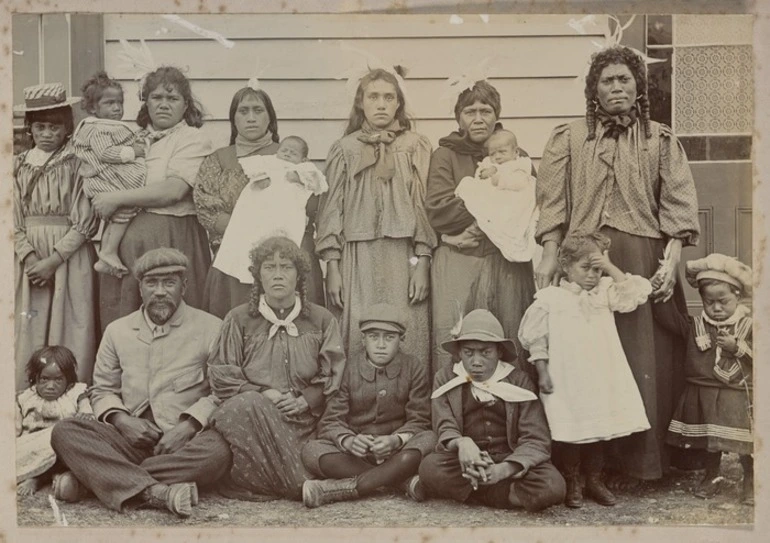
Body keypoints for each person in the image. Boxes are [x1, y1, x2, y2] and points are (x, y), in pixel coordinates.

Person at [536, 45, 700, 486]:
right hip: (583, 262)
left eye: (624, 79)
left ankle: (641, 464)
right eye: (607, 80)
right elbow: (552, 204)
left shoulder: (659, 138)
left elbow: (677, 203)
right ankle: (588, 467)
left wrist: (671, 260)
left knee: (641, 359)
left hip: (642, 261)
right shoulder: (568, 138)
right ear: (594, 89)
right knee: (587, 359)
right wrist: (551, 253)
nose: (616, 87)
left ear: (638, 86)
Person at [50, 248, 231, 518]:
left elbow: (222, 393)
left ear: (184, 286)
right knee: (64, 431)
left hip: (184, 443)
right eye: (151, 283)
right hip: (128, 440)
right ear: (140, 287)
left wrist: (188, 426)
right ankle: (156, 492)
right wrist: (123, 421)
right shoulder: (117, 331)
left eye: (169, 283)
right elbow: (102, 390)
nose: (159, 291)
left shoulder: (212, 328)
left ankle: (95, 480)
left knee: (218, 452)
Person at [518, 232, 652, 508]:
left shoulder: (604, 292)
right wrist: (542, 371)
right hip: (568, 378)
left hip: (601, 375)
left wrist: (609, 267)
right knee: (570, 429)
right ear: (565, 265)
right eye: (585, 268)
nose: (592, 275)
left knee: (598, 426)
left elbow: (634, 292)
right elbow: (536, 339)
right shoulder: (550, 298)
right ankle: (572, 480)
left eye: (597, 269)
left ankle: (594, 479)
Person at [209, 236, 346, 501]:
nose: (278, 275)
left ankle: (278, 481)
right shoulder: (238, 319)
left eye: (286, 267)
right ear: (258, 276)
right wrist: (262, 394)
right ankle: (298, 486)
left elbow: (333, 372)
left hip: (305, 422)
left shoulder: (321, 319)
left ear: (299, 275)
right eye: (269, 267)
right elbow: (221, 374)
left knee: (316, 455)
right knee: (246, 408)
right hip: (252, 421)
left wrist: (306, 400)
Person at [316, 67, 437, 365]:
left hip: (404, 255)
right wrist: (332, 266)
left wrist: (422, 261)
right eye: (373, 97)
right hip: (357, 256)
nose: (381, 104)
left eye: (388, 97)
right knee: (358, 328)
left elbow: (423, 206)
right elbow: (331, 209)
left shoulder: (415, 146)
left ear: (398, 103)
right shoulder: (344, 150)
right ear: (361, 103)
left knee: (408, 328)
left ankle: (410, 403)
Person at [425, 81, 537, 377]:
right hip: (461, 262)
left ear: (496, 114)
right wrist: (493, 211)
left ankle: (513, 414)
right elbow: (439, 209)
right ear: (458, 118)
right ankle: (455, 411)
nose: (478, 118)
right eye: (469, 111)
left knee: (509, 330)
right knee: (457, 332)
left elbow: (531, 201)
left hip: (506, 261)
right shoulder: (445, 155)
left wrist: (481, 220)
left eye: (485, 111)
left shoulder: (516, 155)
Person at [93, 66, 214, 329]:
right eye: (157, 98)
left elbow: (173, 190)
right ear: (146, 102)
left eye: (172, 99)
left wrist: (118, 199)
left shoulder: (192, 139)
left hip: (173, 238)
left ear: (185, 106)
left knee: (175, 319)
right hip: (128, 247)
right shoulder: (131, 139)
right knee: (128, 322)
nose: (163, 105)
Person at [194, 85, 325, 318]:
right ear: (233, 119)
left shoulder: (291, 157)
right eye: (243, 111)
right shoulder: (219, 160)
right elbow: (206, 206)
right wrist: (247, 232)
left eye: (258, 110)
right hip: (235, 256)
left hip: (289, 252)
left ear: (270, 118)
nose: (251, 118)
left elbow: (313, 205)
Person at [417, 309, 565, 512]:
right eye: (468, 353)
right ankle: (503, 494)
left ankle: (481, 492)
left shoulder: (519, 381)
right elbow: (444, 424)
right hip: (466, 461)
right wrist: (462, 443)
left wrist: (503, 469)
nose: (476, 361)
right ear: (459, 352)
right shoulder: (447, 378)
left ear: (499, 352)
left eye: (485, 353)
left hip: (509, 459)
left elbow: (536, 439)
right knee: (430, 468)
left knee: (553, 486)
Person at [301, 303, 436, 507]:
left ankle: (334, 490)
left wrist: (396, 440)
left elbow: (420, 419)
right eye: (374, 337)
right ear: (363, 339)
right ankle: (400, 482)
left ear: (401, 340)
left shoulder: (413, 367)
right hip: (358, 455)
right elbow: (331, 420)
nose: (381, 344)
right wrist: (349, 441)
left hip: (397, 451)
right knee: (311, 451)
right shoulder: (348, 368)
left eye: (389, 337)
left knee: (430, 439)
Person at [13, 82, 99, 390]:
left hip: (68, 255)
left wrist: (54, 259)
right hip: (28, 256)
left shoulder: (78, 164)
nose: (47, 133)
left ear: (66, 129)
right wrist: (31, 256)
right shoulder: (16, 166)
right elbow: (11, 218)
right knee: (29, 322)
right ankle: (27, 394)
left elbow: (86, 219)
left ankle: (71, 394)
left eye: (55, 127)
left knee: (71, 320)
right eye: (40, 127)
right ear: (30, 130)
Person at [665, 254, 753, 505]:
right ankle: (712, 475)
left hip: (737, 392)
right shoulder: (696, 325)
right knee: (710, 441)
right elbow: (669, 318)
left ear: (738, 296)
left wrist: (737, 347)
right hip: (703, 390)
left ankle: (750, 479)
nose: (716, 308)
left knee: (744, 442)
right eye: (708, 301)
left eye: (723, 301)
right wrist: (664, 284)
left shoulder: (749, 325)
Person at [213, 135, 328, 284]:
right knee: (249, 240)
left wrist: (299, 177)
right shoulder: (268, 161)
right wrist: (260, 177)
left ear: (304, 159)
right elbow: (253, 168)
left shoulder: (304, 168)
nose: (287, 154)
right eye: (284, 150)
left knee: (285, 241)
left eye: (293, 153)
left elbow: (318, 183)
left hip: (287, 210)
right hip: (261, 208)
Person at [72, 71, 148, 277]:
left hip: (106, 177)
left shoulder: (106, 125)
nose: (117, 108)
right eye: (109, 103)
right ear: (93, 107)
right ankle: (108, 251)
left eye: (120, 102)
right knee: (125, 211)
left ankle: (106, 254)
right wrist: (133, 152)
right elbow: (105, 152)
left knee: (118, 215)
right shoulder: (99, 129)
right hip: (106, 178)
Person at [16, 346, 93, 497]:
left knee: (73, 453)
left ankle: (52, 478)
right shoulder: (26, 397)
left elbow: (87, 413)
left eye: (58, 380)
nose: (50, 386)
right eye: (44, 379)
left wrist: (85, 414)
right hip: (33, 445)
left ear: (69, 381)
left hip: (60, 447)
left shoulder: (75, 394)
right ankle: (40, 477)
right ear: (35, 379)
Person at [453, 128, 538, 263]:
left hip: (512, 199)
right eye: (493, 153)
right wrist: (484, 173)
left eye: (502, 152)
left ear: (515, 152)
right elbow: (479, 176)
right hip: (494, 197)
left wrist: (500, 179)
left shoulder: (520, 164)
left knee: (502, 221)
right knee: (471, 188)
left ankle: (469, 234)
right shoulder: (489, 162)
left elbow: (520, 182)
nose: (497, 157)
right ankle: (464, 235)